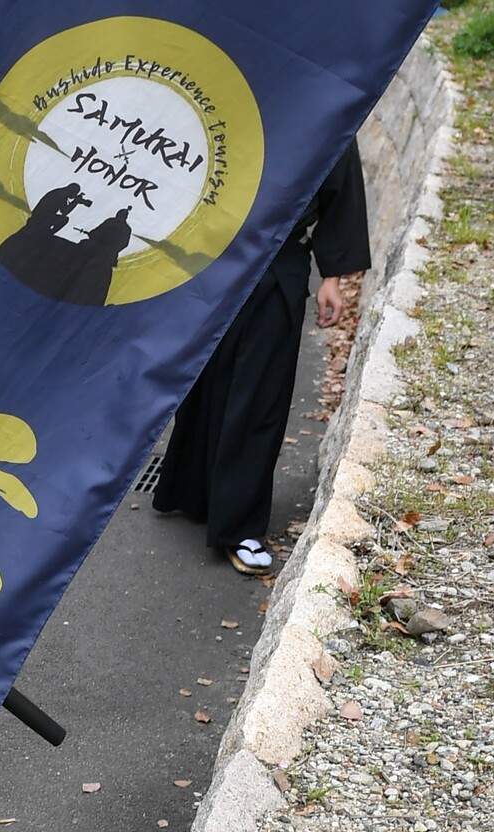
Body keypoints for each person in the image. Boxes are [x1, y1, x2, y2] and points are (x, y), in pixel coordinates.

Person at [153, 143, 367, 574]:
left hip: (279, 256)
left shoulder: (325, 89)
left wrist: (333, 273)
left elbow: (338, 160)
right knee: (204, 380)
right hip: (211, 248)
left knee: (260, 392)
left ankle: (238, 524)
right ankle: (193, 491)